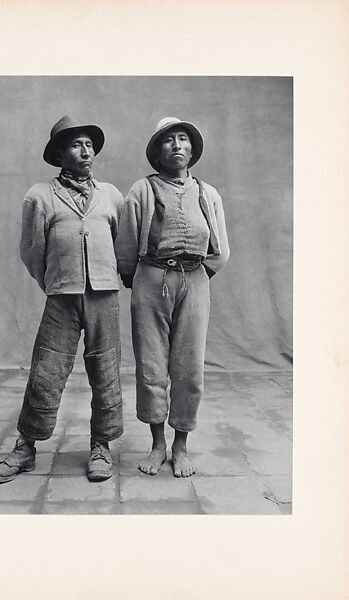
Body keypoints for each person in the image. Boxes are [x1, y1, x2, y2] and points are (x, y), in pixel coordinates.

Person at [0, 115, 124, 483]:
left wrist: (112, 276)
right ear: (60, 154)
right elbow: (32, 251)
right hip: (62, 295)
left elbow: (123, 245)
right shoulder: (40, 196)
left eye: (90, 145)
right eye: (77, 145)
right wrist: (55, 282)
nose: (86, 151)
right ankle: (26, 447)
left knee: (106, 372)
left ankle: (101, 446)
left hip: (105, 296)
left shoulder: (111, 194)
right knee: (46, 372)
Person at [114, 116, 229, 478]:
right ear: (157, 152)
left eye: (183, 139)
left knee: (188, 368)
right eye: (168, 141)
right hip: (150, 279)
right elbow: (126, 247)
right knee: (151, 365)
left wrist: (196, 276)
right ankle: (157, 444)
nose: (177, 145)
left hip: (194, 279)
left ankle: (180, 446)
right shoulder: (142, 190)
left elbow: (220, 249)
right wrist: (146, 279)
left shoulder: (207, 194)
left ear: (192, 150)